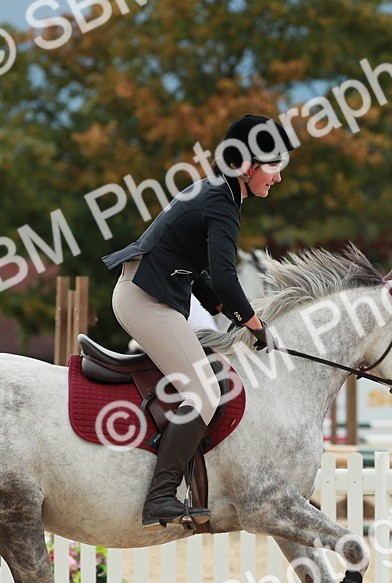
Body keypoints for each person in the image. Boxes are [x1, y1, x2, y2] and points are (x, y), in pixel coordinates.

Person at [101, 114, 294, 529]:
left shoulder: (217, 192)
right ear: (247, 166)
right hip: (146, 301)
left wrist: (227, 312)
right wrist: (256, 325)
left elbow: (201, 271)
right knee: (205, 392)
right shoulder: (222, 202)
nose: (279, 177)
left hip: (149, 295)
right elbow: (224, 276)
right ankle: (160, 497)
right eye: (274, 165)